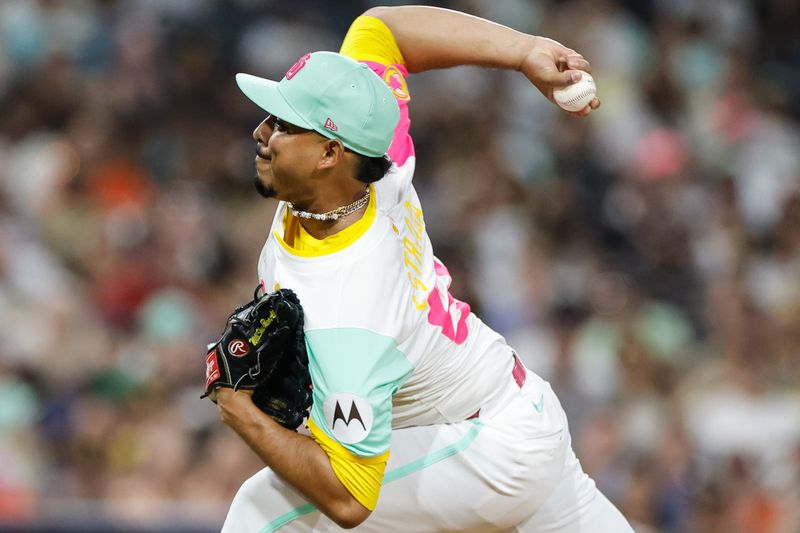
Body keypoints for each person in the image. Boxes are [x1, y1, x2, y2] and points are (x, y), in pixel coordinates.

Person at [214, 5, 633, 532]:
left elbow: (349, 499)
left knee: (266, 510)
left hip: (485, 453)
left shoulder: (353, 309)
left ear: (328, 154)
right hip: (511, 415)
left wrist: (240, 411)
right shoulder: (375, 152)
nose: (260, 131)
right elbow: (382, 29)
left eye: (281, 124)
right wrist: (524, 51)